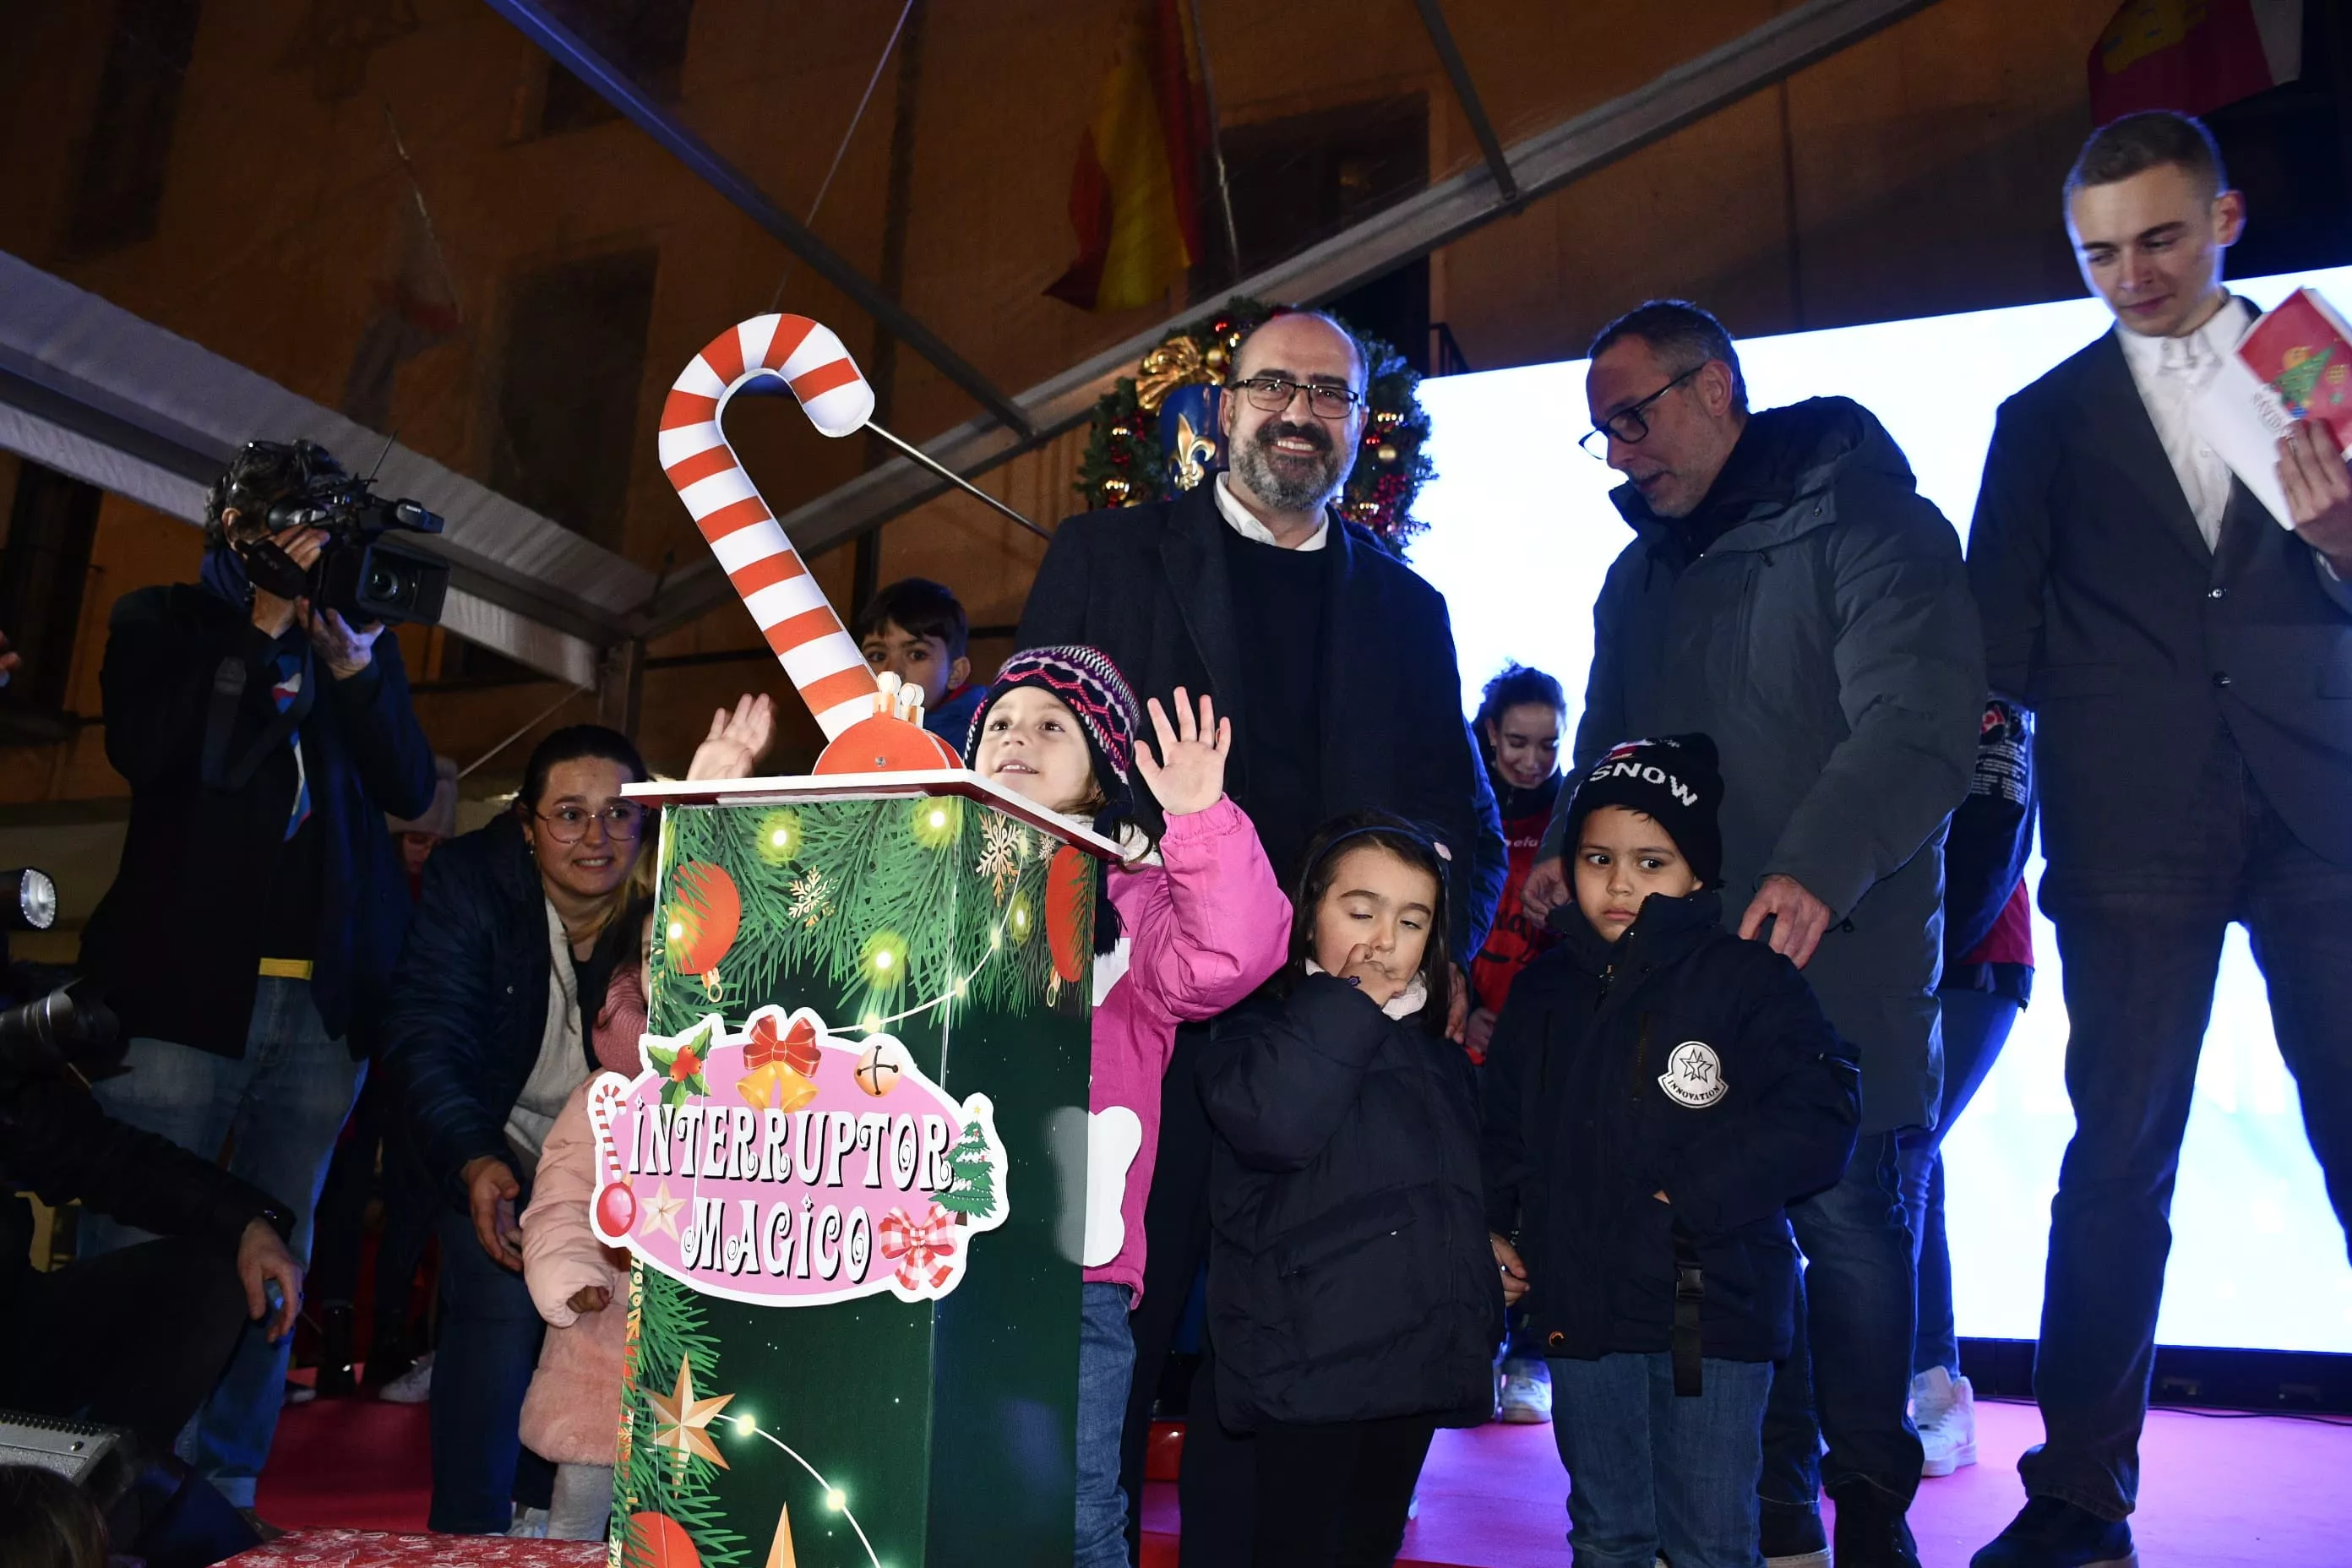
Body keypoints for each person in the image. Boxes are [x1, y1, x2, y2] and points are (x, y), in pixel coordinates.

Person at [1016, 308, 1505, 1558]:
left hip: (1325, 1058)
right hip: (1141, 1028)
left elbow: (1461, 820)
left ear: (1359, 425)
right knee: (1104, 1354)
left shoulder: (1410, 608)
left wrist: (1439, 952)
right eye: (1275, 386)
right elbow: (1028, 771)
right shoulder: (1107, 557)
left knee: (1282, 1378)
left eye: (1330, 394)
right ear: (1224, 408)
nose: (1301, 413)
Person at [1518, 300, 1982, 1567]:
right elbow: (1613, 740)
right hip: (1690, 981)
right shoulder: (1638, 576)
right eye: (1603, 434)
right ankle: (1774, 1510)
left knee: (1850, 1227)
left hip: (1847, 956)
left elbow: (1921, 722)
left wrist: (1816, 867)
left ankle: (1872, 1509)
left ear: (1716, 387)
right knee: (1725, 1237)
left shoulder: (1875, 526)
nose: (1621, 453)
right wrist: (1569, 838)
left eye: (1635, 417)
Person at [1964, 112, 2352, 1568]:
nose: (2129, 274)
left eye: (2159, 239)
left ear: (2226, 219)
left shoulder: (2317, 370)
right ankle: (2076, 1492)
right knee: (2118, 1154)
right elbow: (1990, 646)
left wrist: (2343, 540)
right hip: (2130, 820)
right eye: (2097, 253)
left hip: (2322, 804)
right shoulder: (2040, 419)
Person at [76, 438, 437, 1516]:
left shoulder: (349, 639)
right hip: (177, 994)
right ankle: (108, 1472)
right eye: (297, 529)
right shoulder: (162, 620)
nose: (316, 551)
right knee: (142, 1225)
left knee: (282, 1243)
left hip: (320, 1004)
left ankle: (225, 1479)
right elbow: (154, 751)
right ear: (239, 532)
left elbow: (408, 782)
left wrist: (354, 667)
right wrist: (260, 627)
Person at [380, 697, 772, 1533]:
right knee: (496, 1297)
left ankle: (587, 1515)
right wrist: (475, 1157)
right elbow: (426, 1035)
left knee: (610, 1325)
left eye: (619, 813)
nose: (596, 836)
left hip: (631, 1150)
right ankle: (471, 1530)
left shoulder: (671, 894)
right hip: (488, 1133)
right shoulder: (469, 882)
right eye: (569, 814)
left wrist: (714, 804)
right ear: (528, 825)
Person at [1486, 734, 1860, 1568]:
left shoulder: (1749, 980)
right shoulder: (1543, 990)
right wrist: (1498, 1226)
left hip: (1707, 1313)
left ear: (1697, 874)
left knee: (1710, 1539)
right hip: (1580, 1306)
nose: (1620, 883)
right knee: (1607, 1533)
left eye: (1650, 862)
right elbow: (1501, 1129)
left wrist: (1685, 1197)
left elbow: (1820, 1113)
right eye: (1598, 858)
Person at [960, 645, 1290, 1566]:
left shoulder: (1136, 904)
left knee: (1073, 1512)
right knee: (941, 1495)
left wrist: (1199, 820)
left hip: (1076, 1268)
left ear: (1102, 771)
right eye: (1000, 722)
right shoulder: (932, 876)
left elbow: (1234, 954)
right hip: (932, 1254)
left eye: (1051, 725)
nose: (1018, 737)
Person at [1196, 812, 1501, 1565]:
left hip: (1414, 1363)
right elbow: (1277, 1125)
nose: (1384, 940)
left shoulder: (1439, 1059)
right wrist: (1350, 1002)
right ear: (1308, 919)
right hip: (1307, 1369)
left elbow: (1445, 1185)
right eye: (1361, 912)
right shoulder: (1254, 1031)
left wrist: (1481, 1250)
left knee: (1370, 1544)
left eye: (1412, 921)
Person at [1897, 698, 2036, 1480]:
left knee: (1903, 1157)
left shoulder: (1993, 697)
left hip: (1971, 958)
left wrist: (1920, 954)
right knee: (1908, 1158)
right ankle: (1932, 1384)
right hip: (1888, 957)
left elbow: (1994, 844)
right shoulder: (1868, 669)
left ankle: (1880, 1395)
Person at [311, 753, 460, 1396]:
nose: (424, 853)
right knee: (341, 1200)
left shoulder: (444, 897)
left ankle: (390, 1340)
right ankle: (335, 1340)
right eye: (415, 840)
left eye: (435, 842)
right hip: (358, 1061)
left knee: (410, 1202)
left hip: (410, 1073)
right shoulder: (368, 886)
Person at [516, 915, 653, 1543]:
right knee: (583, 1489)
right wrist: (571, 1272)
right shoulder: (608, 1092)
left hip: (706, 1332)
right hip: (606, 1320)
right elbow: (565, 1190)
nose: (669, 968)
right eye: (653, 953)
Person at [1463, 662, 1570, 1426]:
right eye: (1518, 743)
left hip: (1547, 1048)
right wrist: (1464, 1007)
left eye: (1549, 745)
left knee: (1544, 1198)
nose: (1534, 761)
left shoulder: (1574, 818)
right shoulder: (1465, 805)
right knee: (1478, 1193)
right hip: (1469, 1040)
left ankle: (1532, 1356)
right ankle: (1474, 1345)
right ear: (1490, 734)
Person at [855, 576, 988, 743]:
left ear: (955, 673)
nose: (892, 673)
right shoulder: (852, 726)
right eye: (877, 656)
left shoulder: (973, 743)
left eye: (917, 655)